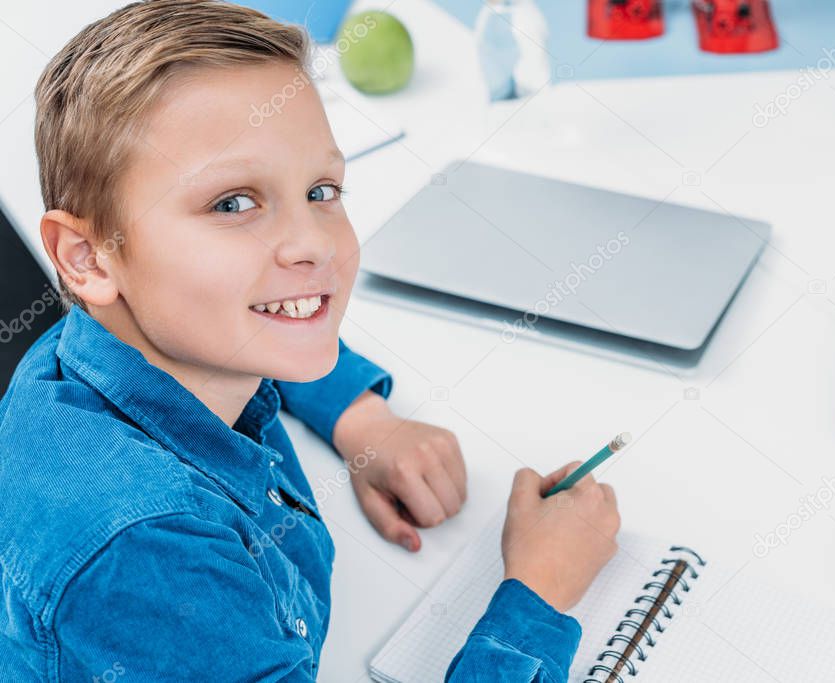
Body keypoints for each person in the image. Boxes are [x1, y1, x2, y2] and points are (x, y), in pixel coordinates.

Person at [0, 1, 621, 680]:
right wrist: (538, 593)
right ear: (87, 258)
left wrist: (361, 416)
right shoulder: (147, 549)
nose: (313, 243)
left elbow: (252, 315)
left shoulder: (130, 339)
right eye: (234, 203)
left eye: (322, 189)